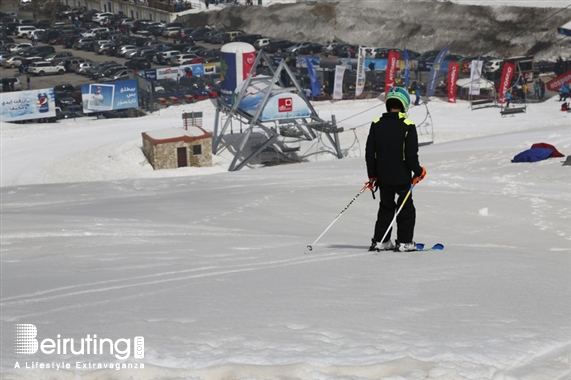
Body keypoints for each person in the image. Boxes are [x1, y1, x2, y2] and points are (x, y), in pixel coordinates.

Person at [365, 87, 426, 252]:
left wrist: (372, 176)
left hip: (383, 177)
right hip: (401, 177)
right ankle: (405, 241)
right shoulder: (408, 125)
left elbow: (370, 153)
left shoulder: (377, 124)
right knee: (406, 208)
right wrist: (419, 171)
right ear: (405, 104)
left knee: (386, 206)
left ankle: (381, 240)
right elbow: (410, 155)